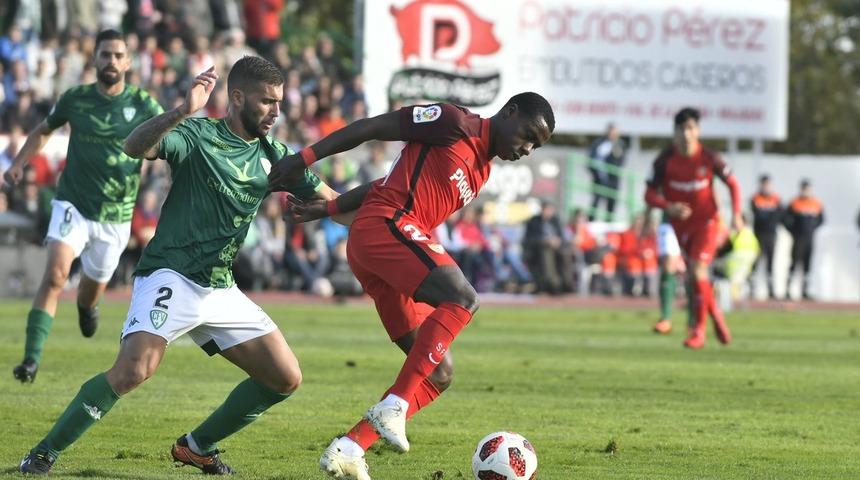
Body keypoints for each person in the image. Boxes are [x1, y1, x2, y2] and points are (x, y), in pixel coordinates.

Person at [17, 56, 336, 475]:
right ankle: (43, 452)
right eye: (267, 101)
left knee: (285, 377)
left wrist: (388, 206)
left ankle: (197, 447)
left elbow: (333, 200)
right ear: (237, 98)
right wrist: (182, 111)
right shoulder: (197, 134)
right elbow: (133, 146)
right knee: (134, 370)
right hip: (171, 273)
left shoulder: (275, 156)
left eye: (279, 102)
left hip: (219, 286)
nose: (276, 111)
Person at [270, 93, 555, 479]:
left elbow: (386, 182)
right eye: (528, 136)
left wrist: (331, 208)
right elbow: (372, 127)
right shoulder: (454, 122)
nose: (527, 149)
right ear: (511, 112)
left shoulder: (481, 172)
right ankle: (395, 405)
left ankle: (351, 447)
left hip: (389, 248)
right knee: (463, 298)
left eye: (536, 146)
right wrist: (304, 158)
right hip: (384, 228)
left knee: (438, 373)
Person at [4, 30, 164, 383]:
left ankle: (87, 306)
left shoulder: (144, 105)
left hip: (116, 215)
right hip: (72, 204)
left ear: (128, 61)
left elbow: (171, 137)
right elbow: (44, 130)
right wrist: (18, 163)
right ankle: (30, 361)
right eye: (105, 54)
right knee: (56, 275)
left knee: (90, 293)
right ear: (94, 59)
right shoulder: (74, 99)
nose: (111, 61)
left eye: (117, 55)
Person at [644, 107, 743, 349]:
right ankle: (716, 315)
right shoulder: (664, 160)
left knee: (698, 269)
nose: (686, 134)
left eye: (690, 128)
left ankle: (698, 332)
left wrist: (737, 215)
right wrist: (668, 207)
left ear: (697, 131)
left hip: (707, 223)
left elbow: (733, 184)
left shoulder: (709, 157)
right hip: (680, 226)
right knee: (694, 275)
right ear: (675, 132)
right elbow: (648, 194)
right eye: (681, 129)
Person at [782, 179, 824, 300]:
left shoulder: (816, 203)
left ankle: (805, 290)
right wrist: (793, 231)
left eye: (808, 189)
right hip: (798, 238)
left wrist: (812, 229)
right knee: (794, 263)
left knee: (807, 265)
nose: (806, 191)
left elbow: (821, 219)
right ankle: (788, 290)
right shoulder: (794, 203)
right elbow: (786, 219)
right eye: (804, 189)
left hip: (809, 238)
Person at [750, 174, 782, 299]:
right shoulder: (755, 198)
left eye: (768, 184)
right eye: (764, 184)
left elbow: (779, 215)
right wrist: (768, 217)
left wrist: (769, 218)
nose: (766, 187)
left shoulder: (776, 198)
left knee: (770, 262)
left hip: (771, 235)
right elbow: (757, 215)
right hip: (758, 235)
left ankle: (771, 290)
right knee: (755, 262)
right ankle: (751, 288)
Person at [587, 123, 626, 221]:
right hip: (599, 178)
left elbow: (620, 161)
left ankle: (609, 222)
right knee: (596, 200)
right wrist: (596, 172)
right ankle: (591, 220)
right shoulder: (599, 143)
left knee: (611, 202)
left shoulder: (620, 144)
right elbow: (592, 158)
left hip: (613, 179)